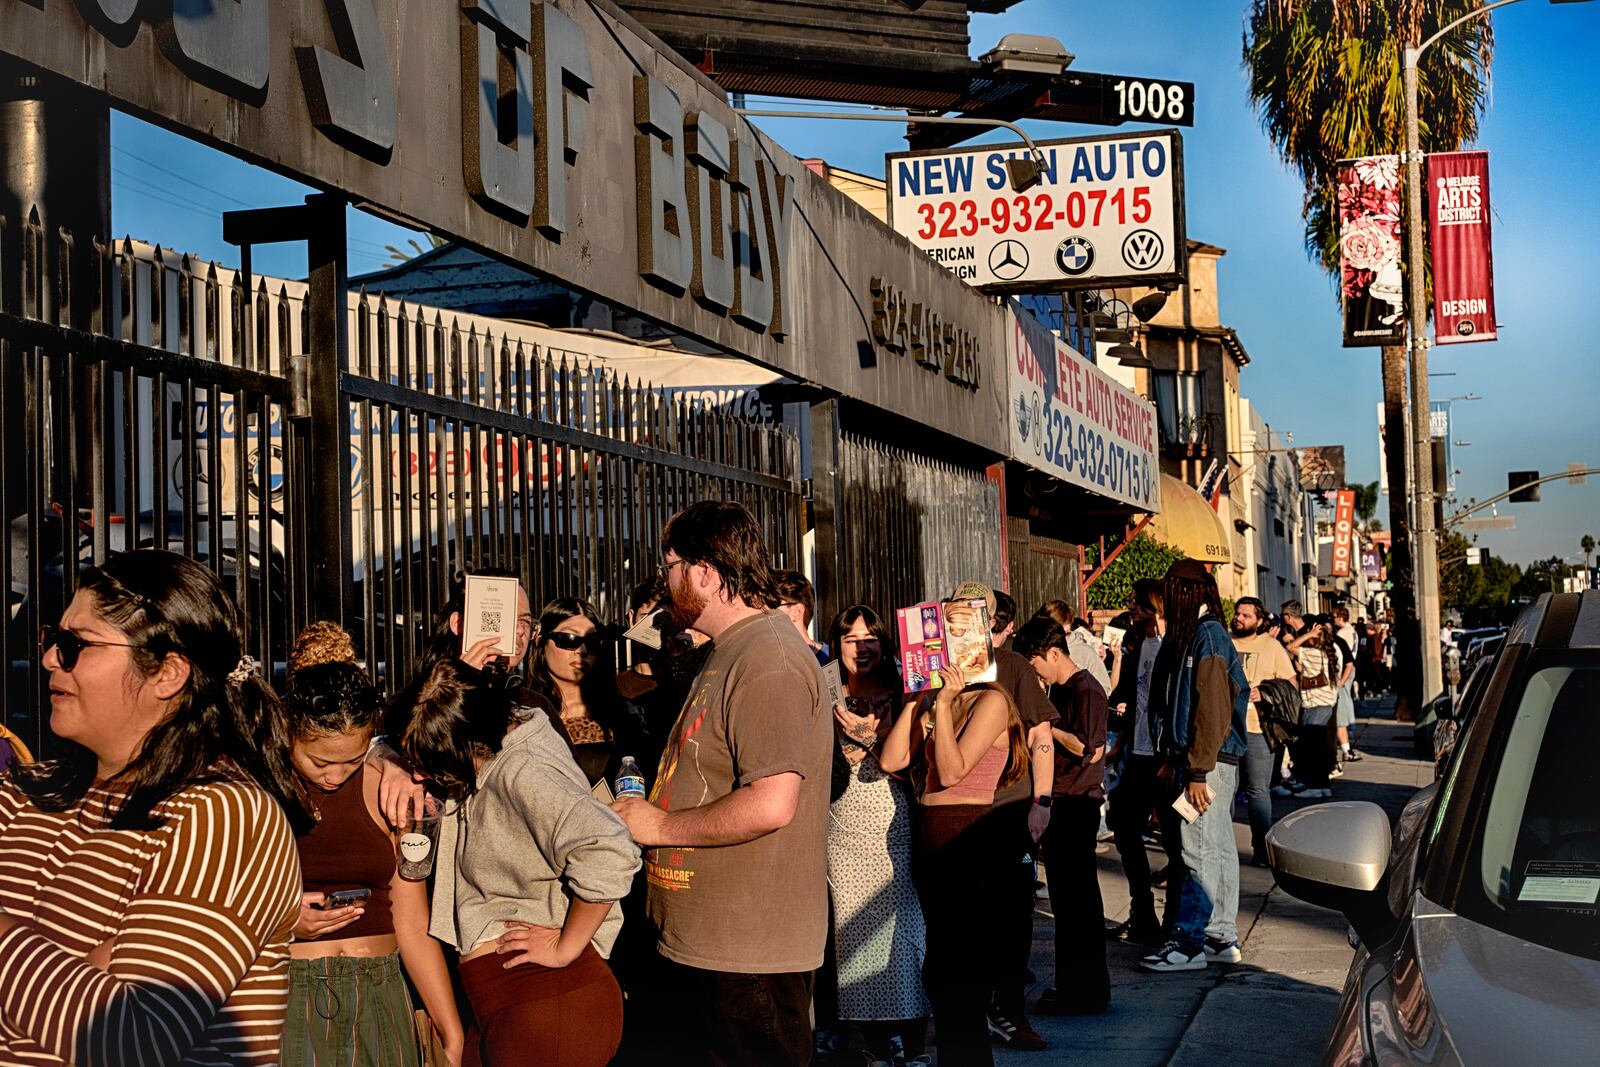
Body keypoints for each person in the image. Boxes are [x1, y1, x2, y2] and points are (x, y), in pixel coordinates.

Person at [0, 549, 311, 1065]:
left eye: (77, 645)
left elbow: (135, 1038)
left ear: (167, 673)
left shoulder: (223, 816)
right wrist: (80, 969)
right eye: (54, 639)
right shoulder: (22, 792)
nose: (51, 658)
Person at [610, 501, 832, 1066]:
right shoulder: (730, 650)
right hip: (712, 949)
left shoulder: (770, 659)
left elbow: (772, 802)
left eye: (671, 565)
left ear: (706, 571)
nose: (665, 579)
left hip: (748, 958)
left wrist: (659, 824)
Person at [398, 657, 640, 1067]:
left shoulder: (524, 770)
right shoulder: (494, 743)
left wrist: (566, 947)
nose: (423, 776)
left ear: (465, 743)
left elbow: (609, 847)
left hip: (548, 1002)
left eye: (432, 765)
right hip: (513, 1004)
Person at [280, 651, 465, 1066]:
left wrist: (449, 1028)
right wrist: (282, 920)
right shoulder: (259, 788)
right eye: (320, 761)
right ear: (290, 733)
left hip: (382, 988)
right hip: (292, 992)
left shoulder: (392, 789)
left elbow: (413, 923)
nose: (335, 775)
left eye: (351, 759)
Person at [880, 663, 1030, 1067]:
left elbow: (950, 771)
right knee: (943, 972)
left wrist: (942, 705)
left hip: (968, 840)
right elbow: (892, 760)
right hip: (934, 841)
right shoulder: (942, 700)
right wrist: (916, 700)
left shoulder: (992, 700)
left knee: (960, 974)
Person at [949, 581, 1055, 1054]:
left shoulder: (1010, 666)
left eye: (978, 614)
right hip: (949, 815)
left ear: (992, 622)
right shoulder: (936, 668)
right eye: (959, 613)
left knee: (1012, 919)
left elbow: (1042, 736)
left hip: (1006, 809)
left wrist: (1043, 803)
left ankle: (1008, 1012)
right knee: (964, 925)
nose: (969, 623)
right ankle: (969, 1011)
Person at [824, 606, 930, 1063]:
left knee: (898, 926)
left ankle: (904, 1031)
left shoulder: (902, 692)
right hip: (840, 824)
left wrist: (869, 737)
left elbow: (908, 762)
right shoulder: (825, 687)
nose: (861, 647)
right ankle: (859, 1036)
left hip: (889, 819)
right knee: (849, 930)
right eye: (850, 639)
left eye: (870, 639)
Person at [1140, 559, 1249, 973]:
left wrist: (1198, 771)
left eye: (1172, 591)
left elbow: (1212, 711)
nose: (1166, 599)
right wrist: (1176, 761)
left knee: (1198, 849)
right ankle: (1220, 935)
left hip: (1208, 766)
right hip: (1202, 762)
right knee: (1216, 847)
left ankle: (1189, 941)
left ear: (1188, 593)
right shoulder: (1200, 636)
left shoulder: (1209, 637)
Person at [1013, 618, 1110, 1017]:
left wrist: (1047, 728)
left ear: (1053, 654)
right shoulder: (1061, 689)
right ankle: (1073, 985)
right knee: (1069, 904)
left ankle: (1084, 991)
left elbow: (1089, 747)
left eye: (1036, 663)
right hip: (1065, 800)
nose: (1036, 672)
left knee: (1078, 904)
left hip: (1077, 801)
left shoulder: (1086, 690)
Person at [525, 596, 648, 790]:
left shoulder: (624, 714)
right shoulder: (522, 714)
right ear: (540, 642)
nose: (581, 650)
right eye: (569, 639)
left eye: (592, 642)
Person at [1104, 579, 1166, 946]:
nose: (1132, 609)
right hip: (1137, 754)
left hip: (1165, 758)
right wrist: (1120, 743)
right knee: (1124, 827)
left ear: (1154, 605)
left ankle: (1176, 922)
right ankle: (1142, 911)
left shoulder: (1174, 645)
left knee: (1176, 841)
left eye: (1138, 604)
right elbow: (1128, 695)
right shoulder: (1135, 642)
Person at [1230, 598, 1299, 864]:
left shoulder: (1271, 647)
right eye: (1237, 613)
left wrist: (1267, 692)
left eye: (1246, 615)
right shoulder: (1225, 642)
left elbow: (1291, 684)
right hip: (1225, 729)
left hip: (1258, 728)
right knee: (1226, 788)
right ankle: (1223, 848)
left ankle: (1260, 847)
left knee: (1258, 790)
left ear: (1259, 621)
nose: (1239, 618)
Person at [1286, 618, 1339, 799]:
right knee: (1319, 748)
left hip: (1314, 705)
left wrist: (1308, 634)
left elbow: (1290, 647)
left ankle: (1314, 786)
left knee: (1312, 749)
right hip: (1325, 705)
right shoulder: (1327, 654)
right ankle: (1323, 785)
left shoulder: (1313, 653)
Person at [1033, 598, 1112, 695]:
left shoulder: (1085, 652)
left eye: (1066, 633)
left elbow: (1104, 689)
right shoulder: (1035, 650)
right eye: (1058, 633)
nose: (1062, 638)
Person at [775, 568, 829, 664]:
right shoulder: (771, 662)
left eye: (772, 606)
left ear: (796, 612)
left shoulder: (834, 660)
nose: (762, 614)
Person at [1330, 606, 1363, 764]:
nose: (1334, 620)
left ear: (1340, 617)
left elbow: (1342, 656)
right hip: (1352, 668)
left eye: (1335, 617)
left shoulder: (1342, 634)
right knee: (1346, 700)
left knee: (1341, 705)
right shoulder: (1353, 631)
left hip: (1344, 670)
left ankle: (1345, 743)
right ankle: (1347, 731)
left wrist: (1340, 680)